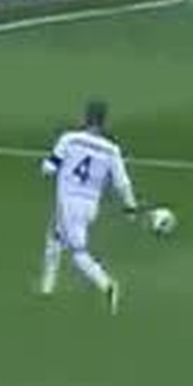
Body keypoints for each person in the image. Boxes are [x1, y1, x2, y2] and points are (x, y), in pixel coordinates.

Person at [40, 99, 140, 314]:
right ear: (103, 121)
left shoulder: (69, 139)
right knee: (54, 236)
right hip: (90, 206)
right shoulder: (111, 149)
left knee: (78, 251)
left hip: (68, 203)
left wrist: (50, 167)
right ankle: (47, 287)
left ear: (85, 117)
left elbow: (48, 168)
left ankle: (107, 284)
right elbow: (122, 183)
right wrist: (130, 206)